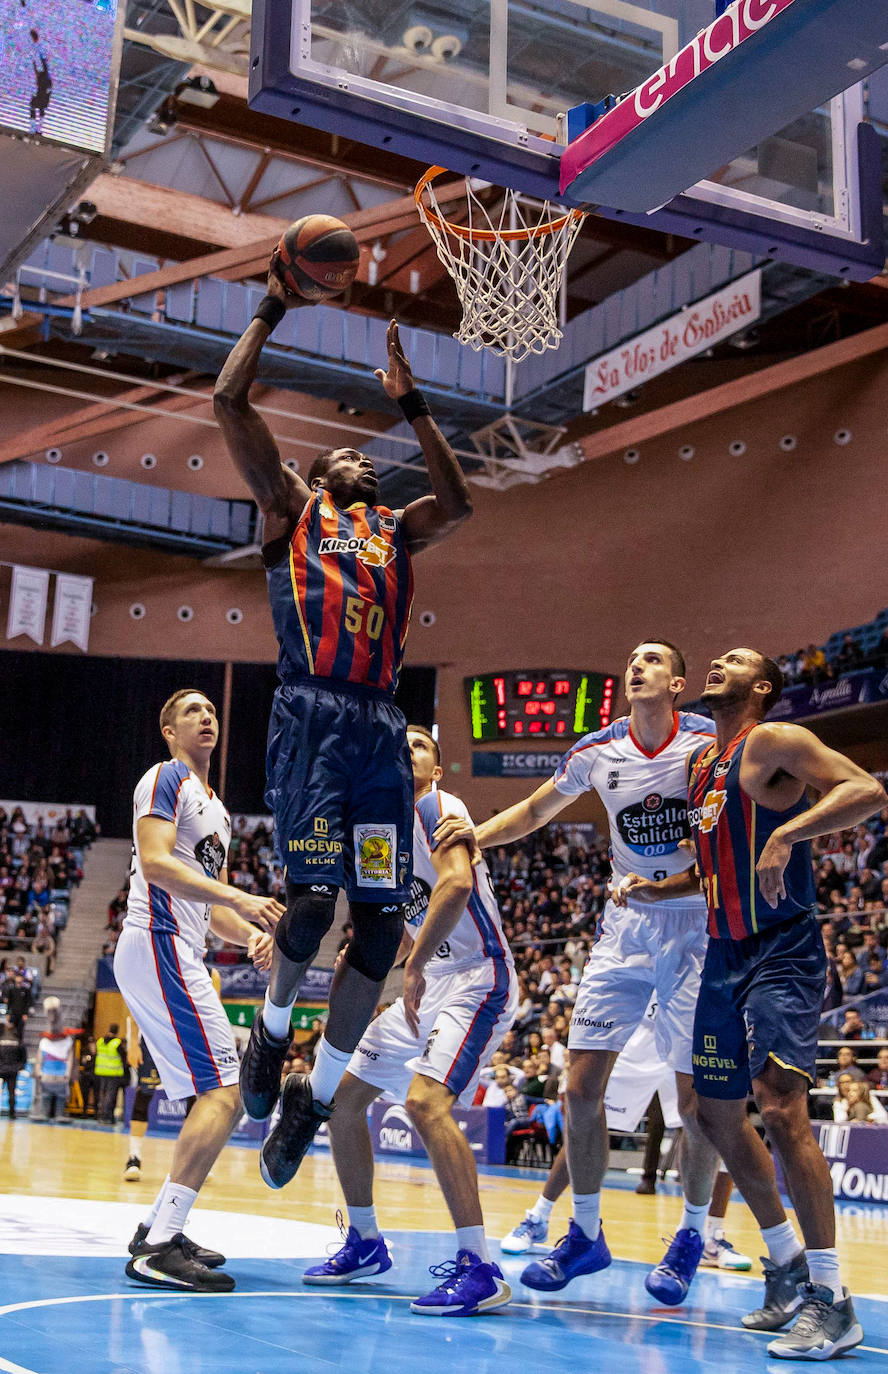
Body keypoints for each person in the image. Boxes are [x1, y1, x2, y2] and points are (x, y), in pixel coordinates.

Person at [214, 271, 472, 1187]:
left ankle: (310, 1101)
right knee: (313, 905)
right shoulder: (293, 509)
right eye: (351, 455)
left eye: (375, 453)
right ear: (319, 475)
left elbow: (461, 501)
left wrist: (413, 404)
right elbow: (227, 397)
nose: (367, 458)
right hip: (313, 717)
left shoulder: (396, 530)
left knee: (374, 930)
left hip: (377, 734)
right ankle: (270, 1037)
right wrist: (275, 303)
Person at [617, 646, 885, 1359]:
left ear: (760, 686)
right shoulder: (704, 763)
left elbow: (868, 790)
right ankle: (787, 1269)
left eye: (733, 660)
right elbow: (714, 867)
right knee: (711, 1112)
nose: (716, 661)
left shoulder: (774, 739)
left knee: (779, 1104)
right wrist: (655, 889)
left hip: (783, 947)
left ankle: (832, 1300)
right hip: (722, 952)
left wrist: (791, 834)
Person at [436, 641, 723, 1306]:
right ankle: (586, 1234)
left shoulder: (708, 742)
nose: (637, 665)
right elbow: (536, 812)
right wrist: (473, 834)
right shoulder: (599, 748)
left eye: (653, 659)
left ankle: (690, 1236)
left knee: (695, 1100)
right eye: (633, 659)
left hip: (693, 924)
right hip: (625, 925)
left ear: (678, 683)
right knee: (581, 1086)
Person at [297, 726, 516, 1317]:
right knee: (341, 1104)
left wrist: (413, 964)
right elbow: (396, 926)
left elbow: (456, 884)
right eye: (398, 744)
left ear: (436, 770)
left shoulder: (440, 806)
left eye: (419, 746)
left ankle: (480, 1266)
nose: (406, 752)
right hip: (427, 982)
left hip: (477, 977)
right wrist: (370, 957)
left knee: (425, 1105)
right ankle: (365, 1242)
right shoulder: (377, 835)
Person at [113, 689, 283, 1292]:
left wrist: (253, 933)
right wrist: (240, 897)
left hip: (177, 945)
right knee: (224, 1092)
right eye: (191, 711)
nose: (206, 717)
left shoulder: (219, 809)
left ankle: (160, 1227)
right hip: (156, 940)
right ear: (168, 729)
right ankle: (160, 1245)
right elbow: (158, 865)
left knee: (213, 1093)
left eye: (211, 711)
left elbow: (206, 904)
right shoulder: (165, 779)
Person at [500, 1000, 752, 1273]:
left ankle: (711, 1236)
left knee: (718, 1126)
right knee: (586, 1124)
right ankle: (539, 1216)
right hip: (640, 1032)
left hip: (690, 1026)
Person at [124, 1036, 163, 1182]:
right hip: (154, 1039)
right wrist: (134, 1043)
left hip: (183, 1038)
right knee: (143, 1096)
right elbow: (136, 1014)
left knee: (194, 1098)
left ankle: (196, 1162)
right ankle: (134, 1158)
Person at [95, 1023, 128, 1124]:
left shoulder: (100, 1041)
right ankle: (107, 1117)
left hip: (101, 1072)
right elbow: (124, 1057)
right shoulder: (117, 1043)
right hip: (113, 1073)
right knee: (110, 1096)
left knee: (103, 1095)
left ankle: (101, 1116)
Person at [0, 1017, 26, 1118]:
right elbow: (24, 1057)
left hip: (1, 1069)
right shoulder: (17, 1040)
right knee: (12, 1092)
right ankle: (12, 1114)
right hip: (12, 1070)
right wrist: (19, 1066)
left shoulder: (1, 1039)